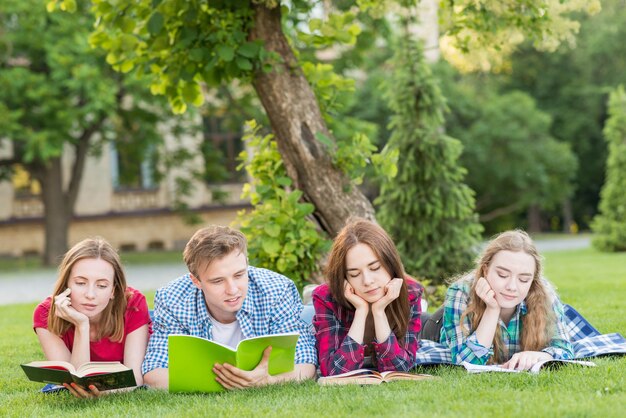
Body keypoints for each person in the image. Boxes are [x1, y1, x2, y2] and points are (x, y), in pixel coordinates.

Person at [142, 225, 317, 389]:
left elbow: (305, 363)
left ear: (247, 263)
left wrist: (267, 381)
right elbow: (153, 371)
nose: (232, 290)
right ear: (196, 281)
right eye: (218, 281)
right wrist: (224, 382)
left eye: (239, 274)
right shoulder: (172, 299)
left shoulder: (277, 289)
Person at [33, 237, 151, 398]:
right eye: (81, 283)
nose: (90, 295)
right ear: (66, 283)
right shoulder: (45, 313)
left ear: (113, 291)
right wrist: (82, 325)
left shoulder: (134, 304)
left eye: (102, 286)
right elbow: (75, 380)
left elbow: (135, 378)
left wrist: (103, 392)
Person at [440, 230, 574, 370]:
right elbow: (465, 362)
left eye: (523, 279)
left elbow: (565, 350)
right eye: (502, 275)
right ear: (486, 270)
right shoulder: (460, 292)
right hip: (435, 326)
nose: (512, 287)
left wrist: (538, 356)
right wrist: (492, 309)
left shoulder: (544, 291)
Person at [312, 219, 423, 376]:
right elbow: (334, 372)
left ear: (390, 264)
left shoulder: (411, 292)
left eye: (375, 268)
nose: (367, 281)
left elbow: (400, 369)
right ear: (344, 277)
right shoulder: (325, 298)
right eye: (354, 274)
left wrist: (379, 311)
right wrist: (361, 311)